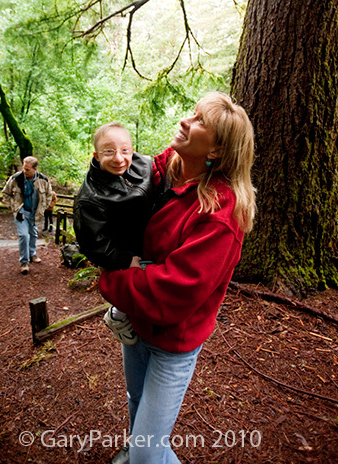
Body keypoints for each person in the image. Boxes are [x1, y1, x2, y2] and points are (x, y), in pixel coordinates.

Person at [99, 92, 256, 464]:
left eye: (200, 122)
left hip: (173, 341)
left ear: (216, 151)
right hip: (137, 325)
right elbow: (123, 192)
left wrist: (110, 278)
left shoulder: (221, 213)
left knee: (149, 452)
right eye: (193, 113)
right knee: (137, 404)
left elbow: (172, 292)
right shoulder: (168, 166)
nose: (186, 121)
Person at [73, 122, 154, 345]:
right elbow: (93, 243)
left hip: (148, 240)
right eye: (109, 151)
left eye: (125, 150)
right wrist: (125, 260)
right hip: (124, 251)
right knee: (131, 291)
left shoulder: (144, 164)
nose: (119, 158)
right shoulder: (90, 198)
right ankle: (118, 315)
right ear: (96, 155)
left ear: (133, 150)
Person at [2, 156, 52, 275]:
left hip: (34, 213)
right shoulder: (15, 179)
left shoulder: (43, 180)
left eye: (28, 169)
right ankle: (24, 262)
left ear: (35, 169)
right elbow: (5, 194)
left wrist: (43, 208)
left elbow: (49, 195)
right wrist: (14, 208)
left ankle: (32, 254)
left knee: (33, 234)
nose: (25, 171)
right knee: (24, 235)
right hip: (21, 212)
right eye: (24, 168)